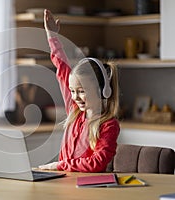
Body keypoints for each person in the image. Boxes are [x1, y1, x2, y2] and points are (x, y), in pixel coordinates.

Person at [39, 9, 120, 172]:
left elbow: (97, 163)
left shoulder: (108, 126)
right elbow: (62, 69)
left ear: (101, 90)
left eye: (81, 91)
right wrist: (52, 37)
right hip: (63, 185)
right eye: (72, 91)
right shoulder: (74, 112)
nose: (75, 97)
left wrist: (60, 165)